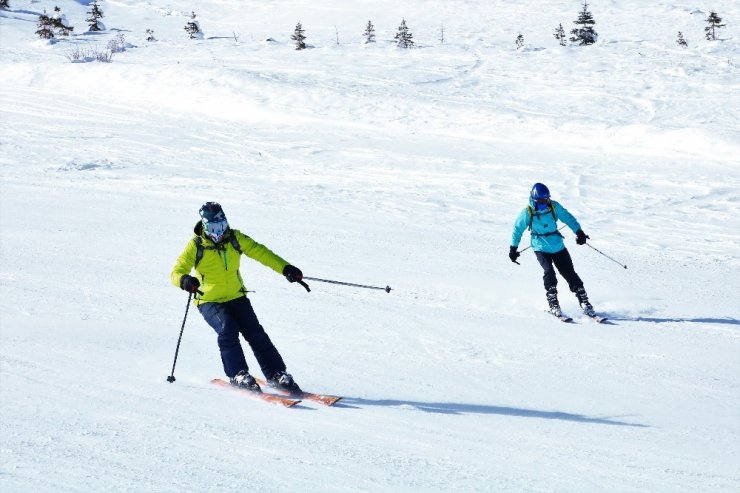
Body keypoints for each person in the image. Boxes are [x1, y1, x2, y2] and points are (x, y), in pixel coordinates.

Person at [171, 202, 306, 394]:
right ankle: (238, 374)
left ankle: (277, 374)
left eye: (222, 226)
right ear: (205, 226)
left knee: (255, 333)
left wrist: (286, 268)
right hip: (209, 299)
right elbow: (176, 271)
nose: (219, 231)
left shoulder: (235, 238)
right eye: (213, 228)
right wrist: (185, 280)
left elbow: (261, 252)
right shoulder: (196, 245)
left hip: (236, 295)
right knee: (227, 328)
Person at [509, 183, 596, 317]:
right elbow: (517, 229)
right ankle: (553, 303)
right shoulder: (528, 212)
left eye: (546, 200)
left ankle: (584, 301)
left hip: (558, 245)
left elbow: (568, 217)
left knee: (569, 272)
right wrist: (513, 248)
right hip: (540, 247)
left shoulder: (553, 206)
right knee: (549, 271)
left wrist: (579, 232)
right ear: (534, 200)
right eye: (541, 201)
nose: (545, 203)